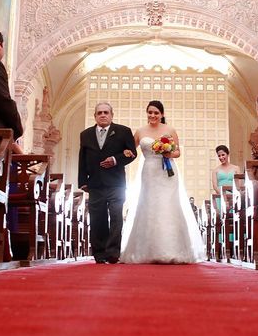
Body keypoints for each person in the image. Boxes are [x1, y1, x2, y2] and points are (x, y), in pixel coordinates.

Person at [121, 100, 206, 264]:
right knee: (149, 206)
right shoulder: (140, 131)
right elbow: (131, 151)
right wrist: (124, 152)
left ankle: (173, 249)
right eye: (150, 112)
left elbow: (177, 152)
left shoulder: (169, 130)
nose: (152, 115)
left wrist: (168, 153)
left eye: (156, 113)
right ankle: (146, 250)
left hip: (167, 172)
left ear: (162, 114)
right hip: (149, 172)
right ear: (147, 113)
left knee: (168, 206)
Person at [78, 102, 137, 264]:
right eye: (99, 113)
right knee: (98, 218)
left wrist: (115, 159)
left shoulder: (123, 131)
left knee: (116, 216)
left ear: (112, 115)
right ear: (95, 116)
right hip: (95, 183)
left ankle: (113, 252)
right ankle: (99, 253)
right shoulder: (86, 134)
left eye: (106, 112)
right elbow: (82, 158)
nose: (103, 115)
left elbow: (132, 154)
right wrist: (82, 181)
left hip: (116, 183)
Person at [211, 145, 241, 212]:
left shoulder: (236, 168)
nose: (221, 157)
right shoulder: (215, 170)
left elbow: (239, 184)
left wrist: (233, 196)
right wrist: (224, 196)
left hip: (233, 196)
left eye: (223, 155)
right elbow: (215, 186)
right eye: (219, 156)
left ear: (227, 154)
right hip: (221, 197)